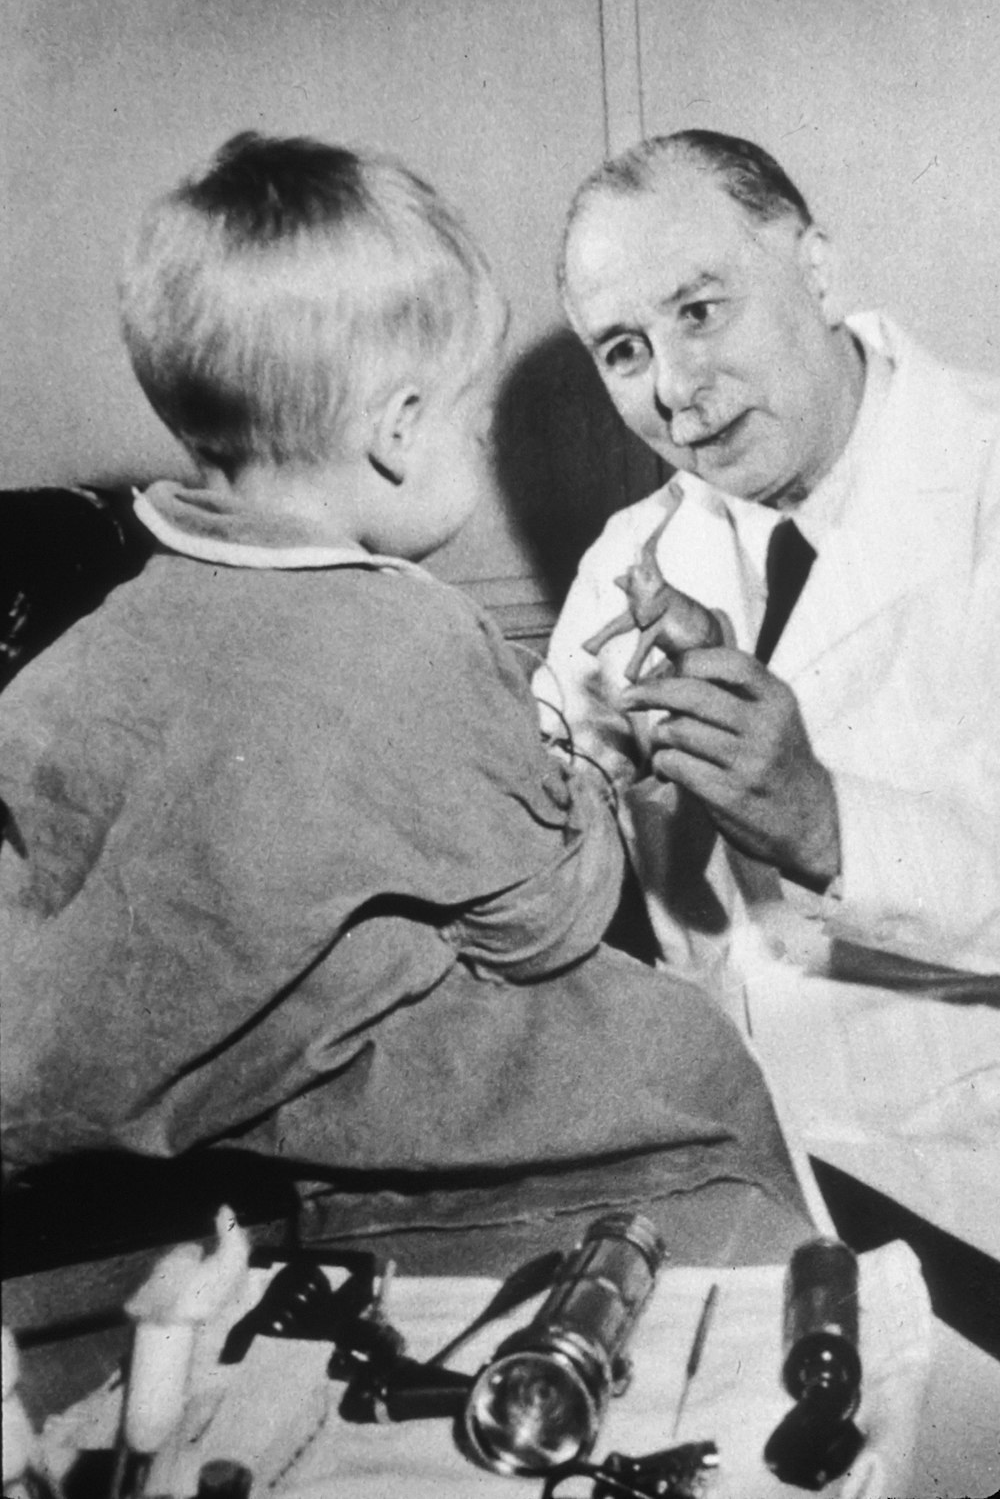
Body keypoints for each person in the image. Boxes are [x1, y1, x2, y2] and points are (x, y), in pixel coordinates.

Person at [0, 132, 812, 1274]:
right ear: (395, 431)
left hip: (122, 1142)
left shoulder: (96, 642)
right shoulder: (414, 634)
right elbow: (543, 923)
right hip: (359, 1117)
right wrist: (587, 783)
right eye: (472, 422)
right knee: (686, 1060)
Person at [538, 129, 1000, 1254]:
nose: (676, 391)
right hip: (738, 1184)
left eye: (700, 310)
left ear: (814, 263)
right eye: (623, 349)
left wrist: (823, 820)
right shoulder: (629, 564)